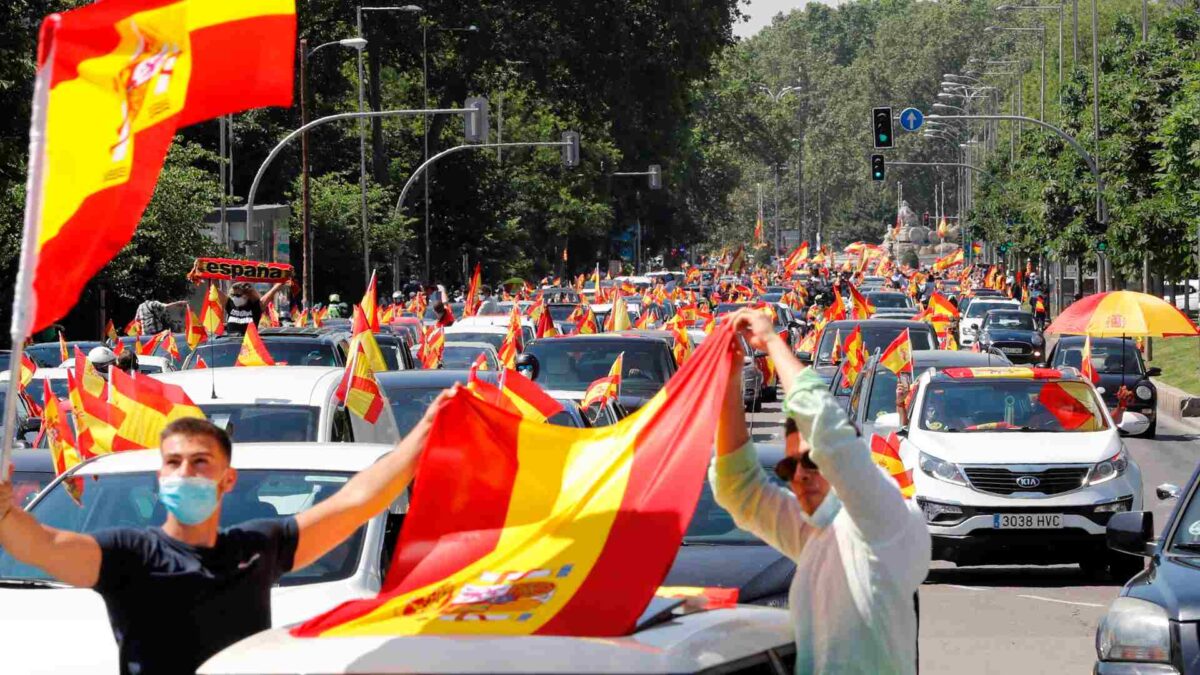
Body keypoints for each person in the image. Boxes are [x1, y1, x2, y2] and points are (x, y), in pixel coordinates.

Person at [0, 388, 456, 675]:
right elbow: (44, 545)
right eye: (174, 463)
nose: (185, 473)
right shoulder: (129, 553)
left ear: (226, 479)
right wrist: (6, 514)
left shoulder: (258, 548)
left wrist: (423, 435)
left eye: (200, 463)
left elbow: (356, 503)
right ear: (161, 477)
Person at [713, 308, 930, 674]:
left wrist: (770, 341)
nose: (801, 477)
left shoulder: (885, 520)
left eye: (813, 462)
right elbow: (740, 489)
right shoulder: (815, 533)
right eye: (789, 467)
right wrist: (729, 382)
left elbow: (827, 429)